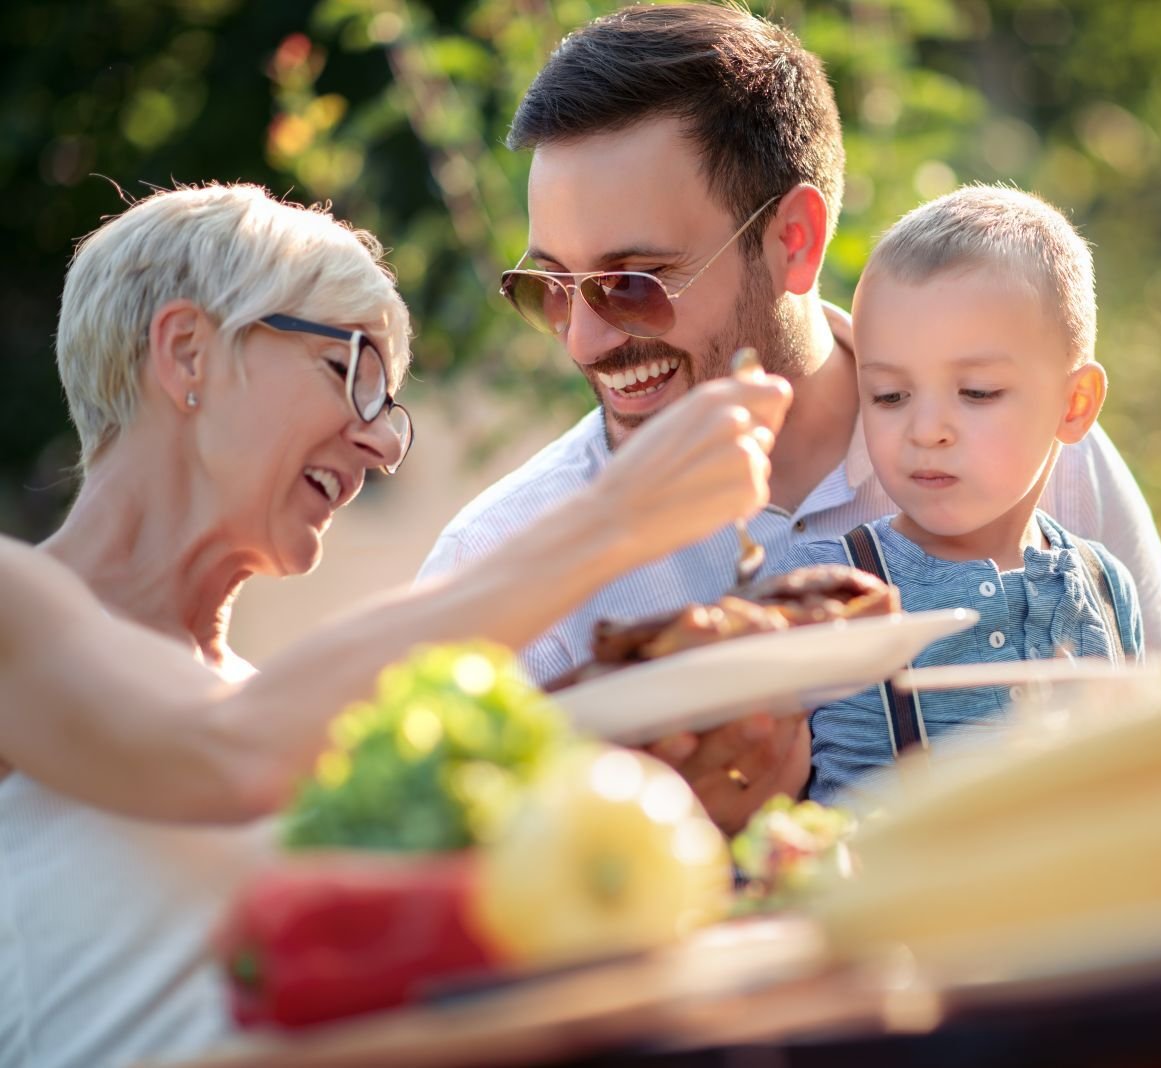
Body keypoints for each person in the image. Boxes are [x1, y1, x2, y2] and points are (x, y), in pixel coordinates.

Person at [0, 182, 789, 1068]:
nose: (380, 446)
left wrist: (671, 805)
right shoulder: (14, 603)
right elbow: (225, 753)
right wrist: (610, 518)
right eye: (356, 374)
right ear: (188, 352)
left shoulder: (280, 709)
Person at [418, 3, 1161, 818]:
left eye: (634, 283)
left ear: (794, 240)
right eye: (551, 288)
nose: (583, 341)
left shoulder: (1029, 445)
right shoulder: (498, 560)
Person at [771, 185, 1142, 802]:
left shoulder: (1105, 589)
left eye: (976, 393)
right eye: (889, 396)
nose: (926, 431)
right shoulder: (829, 590)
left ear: (1074, 405)